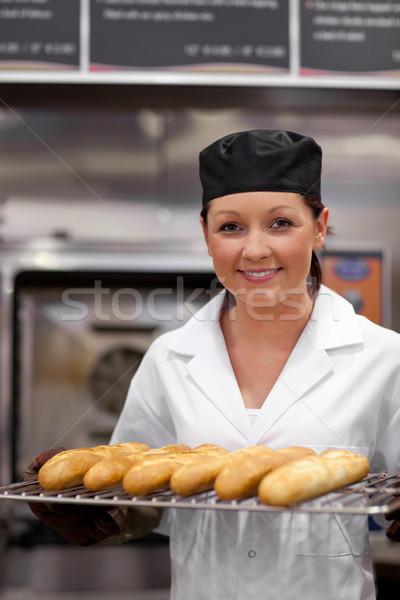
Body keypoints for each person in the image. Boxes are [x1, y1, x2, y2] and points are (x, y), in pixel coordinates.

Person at [27, 130, 400, 599]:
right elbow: (142, 491)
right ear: (206, 235)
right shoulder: (169, 357)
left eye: (281, 223)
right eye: (230, 227)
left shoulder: (383, 357)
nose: (255, 250)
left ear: (320, 226)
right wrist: (99, 512)